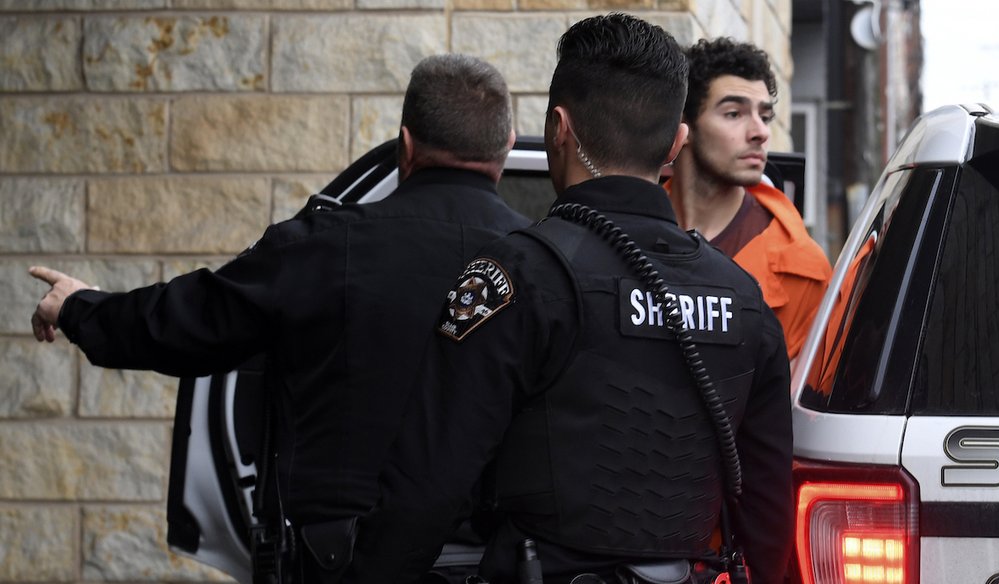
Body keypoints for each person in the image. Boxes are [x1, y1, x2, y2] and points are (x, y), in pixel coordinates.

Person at [28, 54, 530, 583]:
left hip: (338, 564)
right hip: (496, 564)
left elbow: (183, 323)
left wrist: (80, 306)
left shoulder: (321, 246)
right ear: (508, 145)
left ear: (405, 145)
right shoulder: (542, 263)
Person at [345, 14, 793, 584]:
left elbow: (428, 481)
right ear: (678, 142)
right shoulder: (745, 300)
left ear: (559, 127)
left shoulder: (515, 276)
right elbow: (768, 506)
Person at [665, 37, 831, 361]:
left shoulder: (803, 270)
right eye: (734, 113)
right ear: (683, 126)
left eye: (765, 116)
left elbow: (796, 407)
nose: (760, 132)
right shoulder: (626, 229)